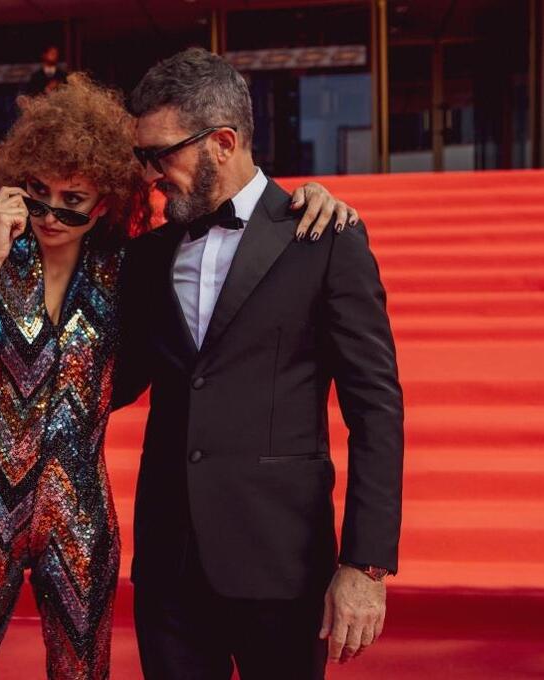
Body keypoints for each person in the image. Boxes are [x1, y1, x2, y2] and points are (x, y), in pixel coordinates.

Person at [0, 73, 357, 679]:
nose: (50, 213)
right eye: (37, 193)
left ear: (102, 203)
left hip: (79, 514)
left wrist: (311, 198)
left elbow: (132, 375)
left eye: (72, 200)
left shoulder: (125, 272)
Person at [113, 47, 404, 679]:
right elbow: (111, 381)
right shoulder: (147, 256)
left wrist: (366, 565)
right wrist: (1, 404)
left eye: (160, 154)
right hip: (169, 566)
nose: (149, 174)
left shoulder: (324, 239)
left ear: (222, 142)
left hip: (281, 562)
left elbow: (376, 410)